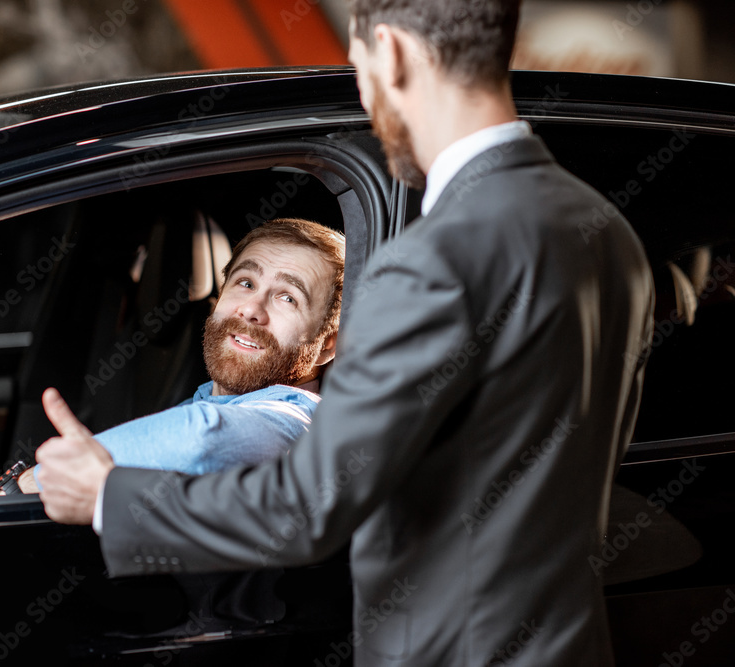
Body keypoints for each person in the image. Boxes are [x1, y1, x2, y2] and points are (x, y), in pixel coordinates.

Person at [32, 2, 655, 665]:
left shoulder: (430, 261)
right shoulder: (610, 234)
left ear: (387, 52)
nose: (363, 90)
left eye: (356, 67)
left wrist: (110, 496)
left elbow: (311, 502)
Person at [9, 217, 344, 492]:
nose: (250, 309)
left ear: (328, 344)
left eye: (288, 298)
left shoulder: (299, 422)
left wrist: (33, 481)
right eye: (245, 283)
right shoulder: (207, 402)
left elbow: (204, 438)